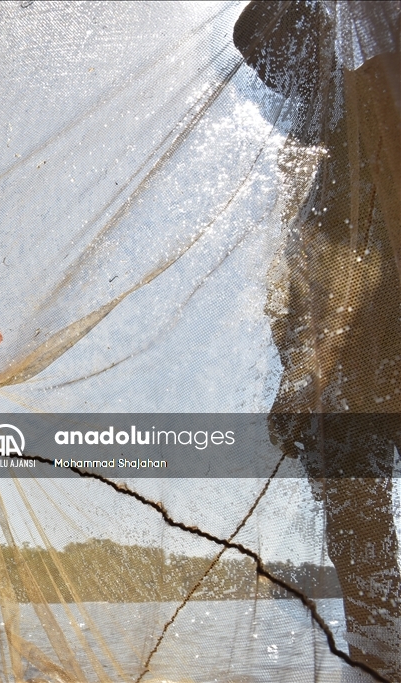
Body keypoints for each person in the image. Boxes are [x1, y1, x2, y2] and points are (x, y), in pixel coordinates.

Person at [234, 2, 400, 677]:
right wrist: (297, 369)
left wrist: (305, 371)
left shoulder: (373, 100)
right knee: (359, 527)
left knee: (360, 527)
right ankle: (377, 653)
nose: (278, 75)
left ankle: (378, 652)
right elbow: (306, 284)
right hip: (348, 386)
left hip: (363, 366)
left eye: (284, 51)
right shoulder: (320, 150)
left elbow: (345, 267)